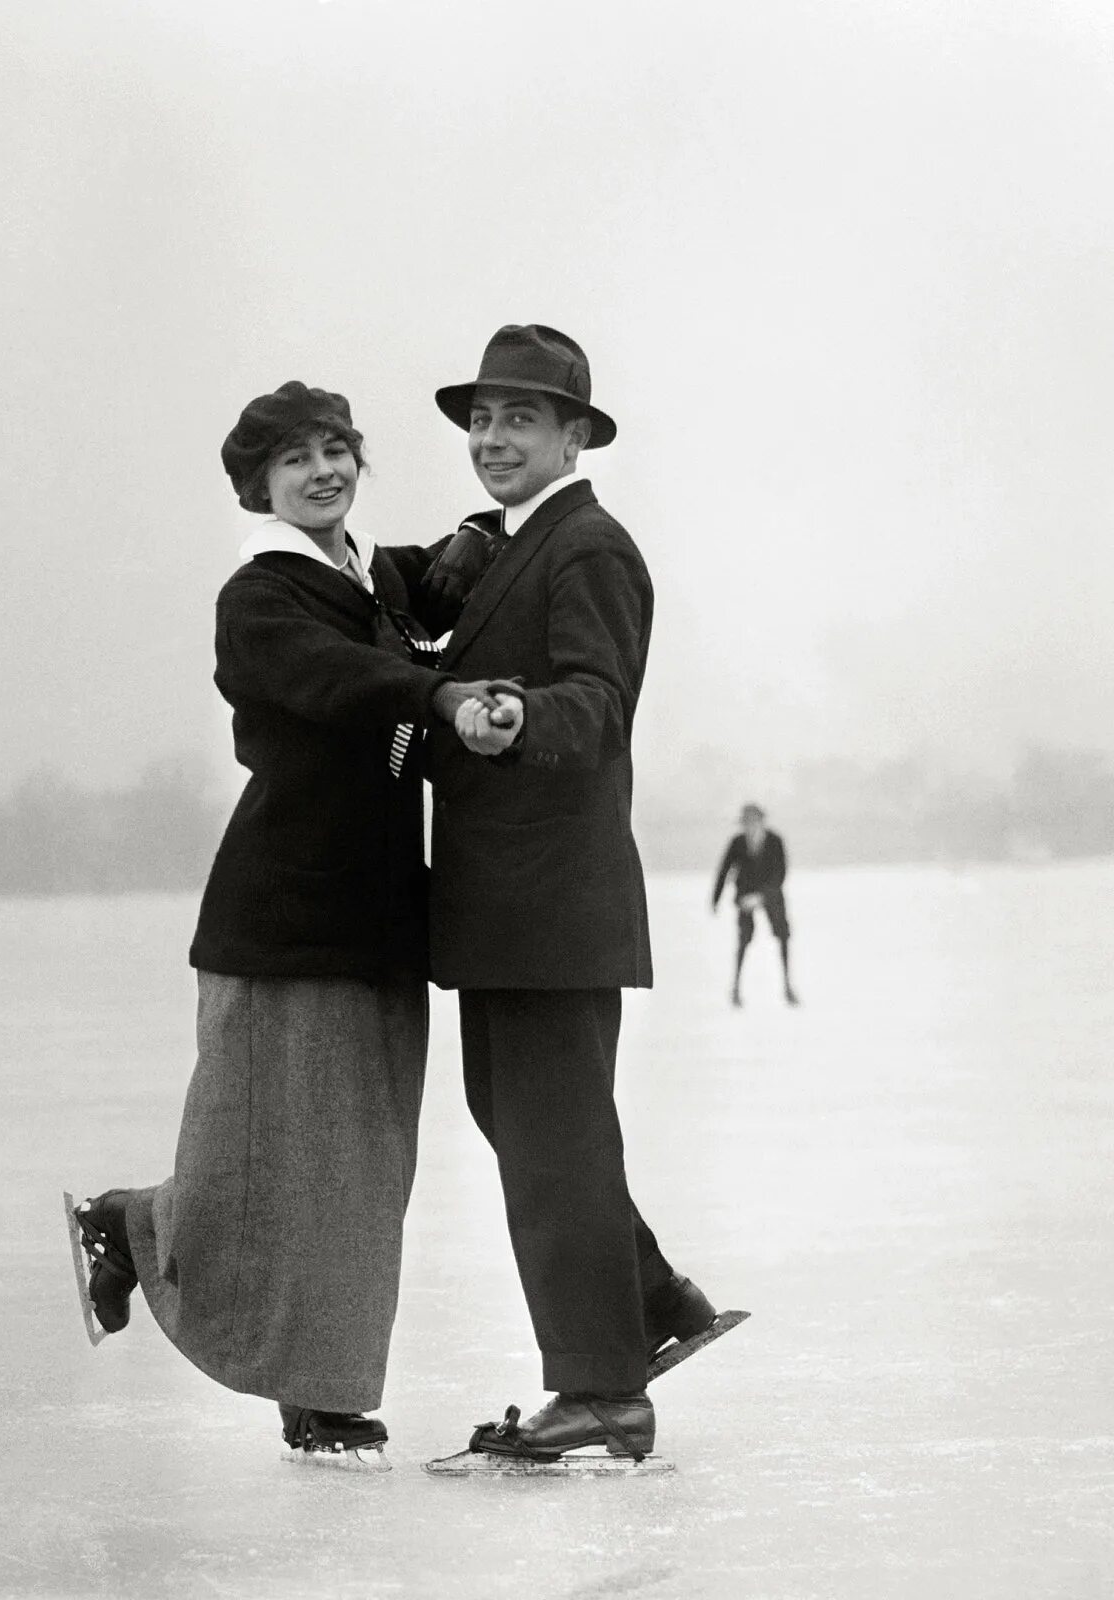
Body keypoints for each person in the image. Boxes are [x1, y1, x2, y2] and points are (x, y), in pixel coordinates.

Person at [68, 383, 513, 1463]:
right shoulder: (262, 596)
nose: (322, 472)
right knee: (276, 1158)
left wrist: (481, 534)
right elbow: (337, 674)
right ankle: (314, 1387)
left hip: (376, 912)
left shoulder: (360, 573)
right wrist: (439, 694)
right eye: (294, 461)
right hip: (285, 910)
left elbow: (420, 581)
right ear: (256, 484)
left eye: (335, 451)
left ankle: (133, 1224)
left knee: (360, 1164)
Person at [417, 325, 727, 1463]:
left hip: (551, 900)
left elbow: (597, 700)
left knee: (552, 1137)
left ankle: (601, 1386)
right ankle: (649, 1301)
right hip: (511, 904)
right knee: (522, 1122)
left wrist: (511, 716)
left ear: (573, 436)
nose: (492, 439)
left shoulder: (588, 548)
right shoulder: (514, 543)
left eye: (519, 421)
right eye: (481, 421)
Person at [712, 803, 797, 1006]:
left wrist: (762, 896)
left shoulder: (775, 841)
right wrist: (716, 899)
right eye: (746, 823)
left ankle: (787, 986)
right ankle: (735, 988)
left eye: (753, 822)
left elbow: (780, 873)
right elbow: (724, 870)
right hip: (745, 895)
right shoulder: (738, 842)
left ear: (761, 822)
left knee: (783, 935)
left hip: (771, 895)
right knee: (743, 939)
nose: (750, 826)